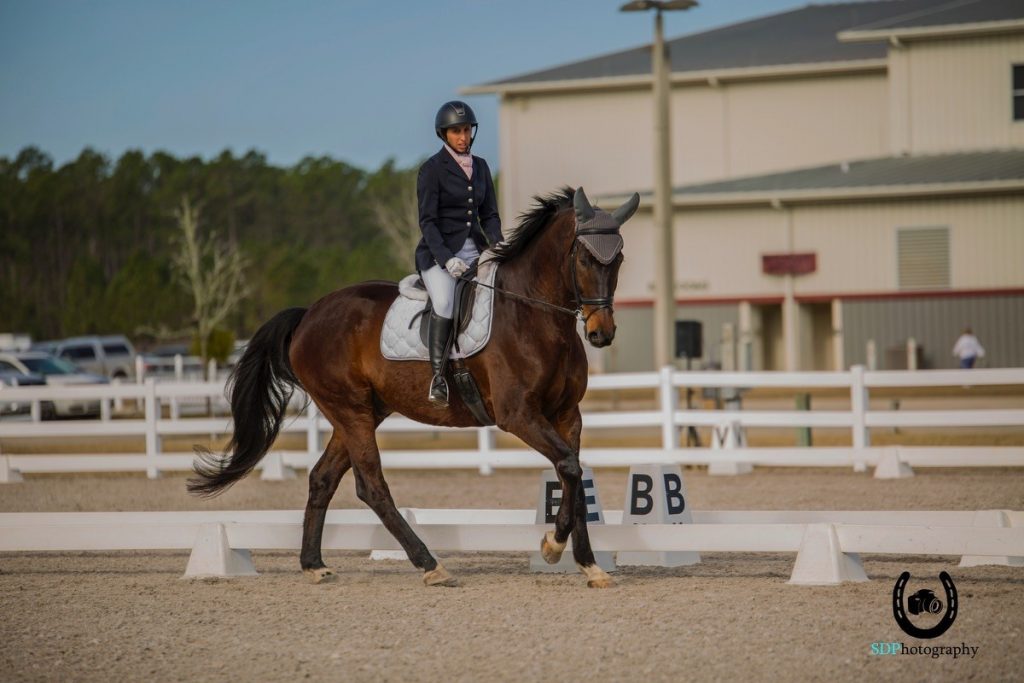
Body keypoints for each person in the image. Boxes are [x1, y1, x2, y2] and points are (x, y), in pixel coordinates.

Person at [415, 101, 502, 407]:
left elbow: (489, 214)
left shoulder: (481, 167)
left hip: (475, 249)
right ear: (444, 134)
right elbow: (427, 221)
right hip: (439, 252)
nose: (463, 136)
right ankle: (438, 378)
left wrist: (499, 245)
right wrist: (445, 258)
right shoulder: (432, 170)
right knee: (444, 300)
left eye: (466, 130)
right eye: (456, 132)